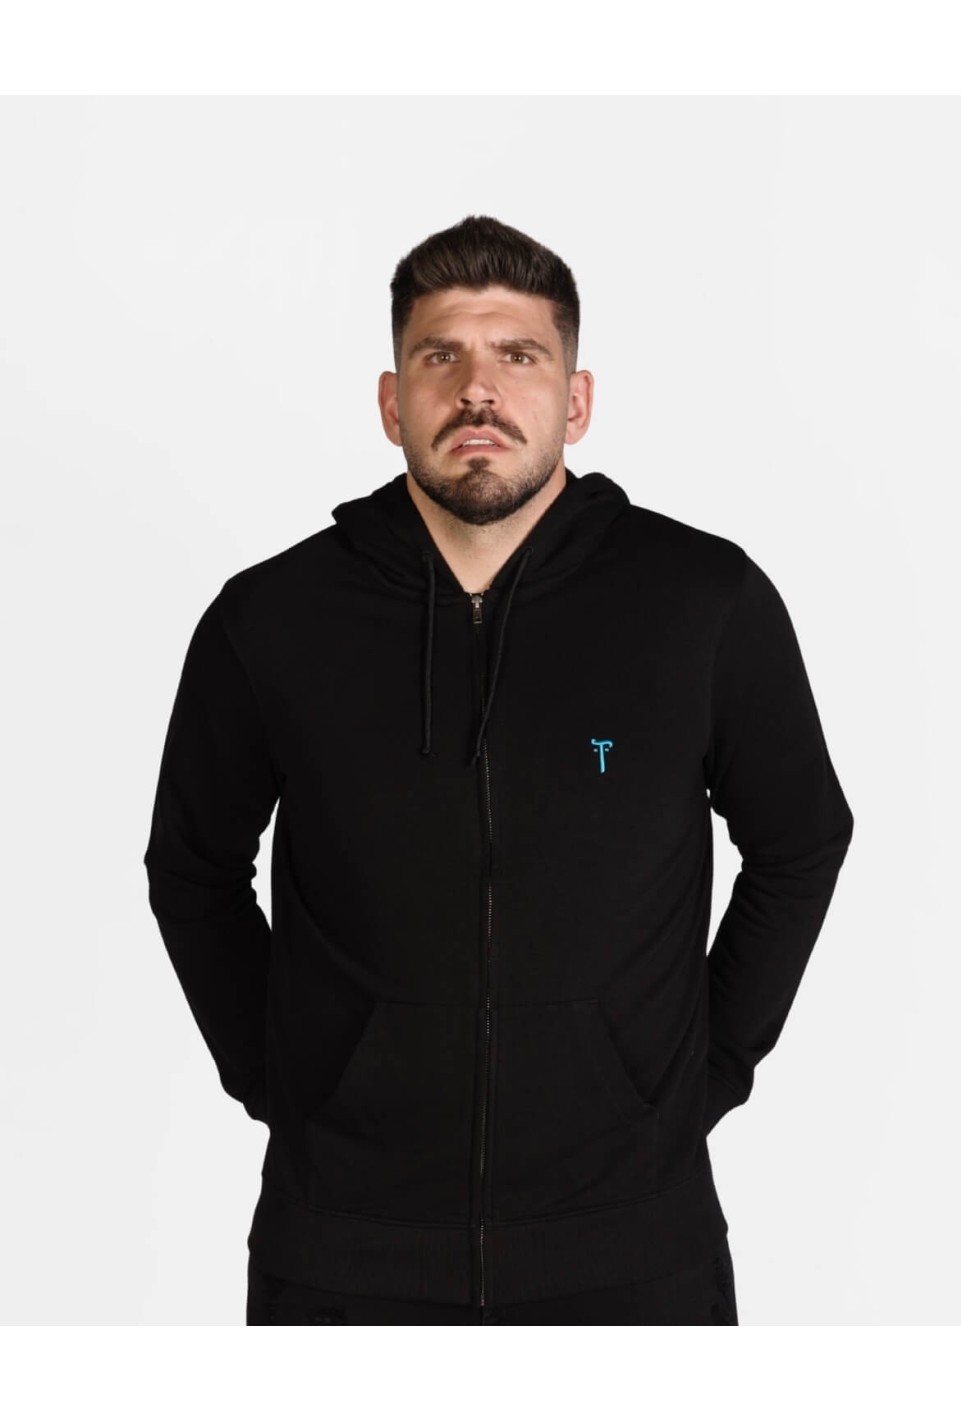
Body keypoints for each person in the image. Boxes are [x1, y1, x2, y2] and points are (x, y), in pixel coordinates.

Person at [143, 214, 854, 1325]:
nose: (478, 389)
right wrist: (288, 1081)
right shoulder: (271, 619)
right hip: (343, 1250)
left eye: (518, 355)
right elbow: (192, 869)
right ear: (393, 403)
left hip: (634, 1245)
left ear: (575, 401)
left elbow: (801, 839)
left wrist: (701, 1072)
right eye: (441, 356)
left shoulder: (700, 603)